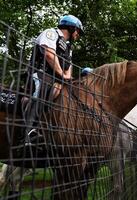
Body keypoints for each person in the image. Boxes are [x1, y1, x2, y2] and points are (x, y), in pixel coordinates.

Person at [23, 14, 84, 144]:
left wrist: (66, 78)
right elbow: (49, 54)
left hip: (56, 79)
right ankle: (27, 132)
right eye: (78, 31)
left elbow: (69, 66)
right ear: (71, 27)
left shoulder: (68, 48)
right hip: (39, 73)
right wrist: (62, 75)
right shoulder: (50, 33)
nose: (78, 35)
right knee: (42, 90)